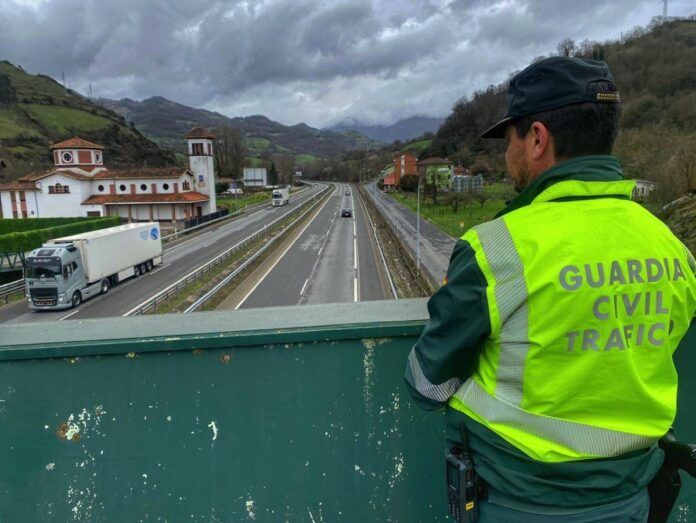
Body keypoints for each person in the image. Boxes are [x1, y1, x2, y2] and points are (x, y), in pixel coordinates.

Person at [404, 56, 696, 522]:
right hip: (633, 502)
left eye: (510, 139)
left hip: (520, 505)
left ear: (537, 139)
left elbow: (427, 383)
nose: (506, 155)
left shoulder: (494, 250)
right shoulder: (671, 247)